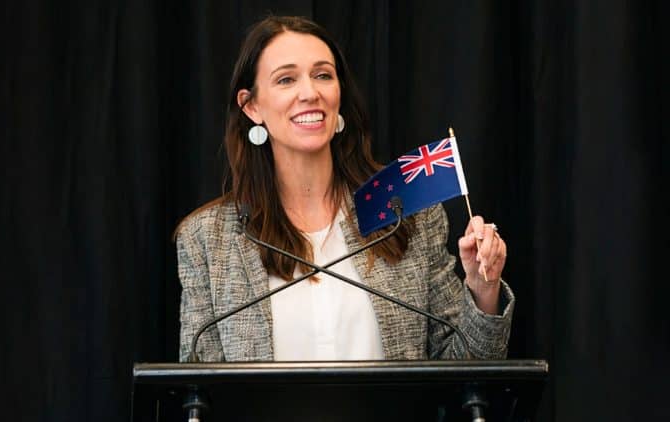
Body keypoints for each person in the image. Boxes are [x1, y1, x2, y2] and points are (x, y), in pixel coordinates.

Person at [176, 15, 513, 362]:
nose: (310, 93)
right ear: (252, 106)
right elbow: (198, 385)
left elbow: (467, 374)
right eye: (286, 79)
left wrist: (482, 289)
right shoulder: (206, 240)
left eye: (323, 75)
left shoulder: (408, 212)